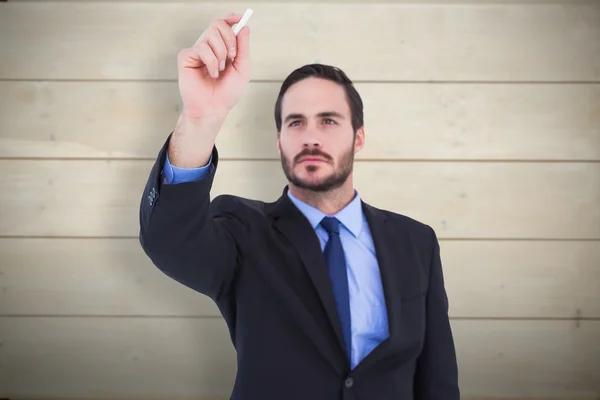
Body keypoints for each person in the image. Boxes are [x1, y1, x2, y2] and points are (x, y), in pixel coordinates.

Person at [139, 11, 460, 400]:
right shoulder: (244, 231)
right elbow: (168, 240)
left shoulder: (416, 242)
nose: (310, 137)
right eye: (295, 122)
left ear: (358, 138)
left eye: (328, 121)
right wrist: (201, 117)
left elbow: (437, 381)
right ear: (279, 142)